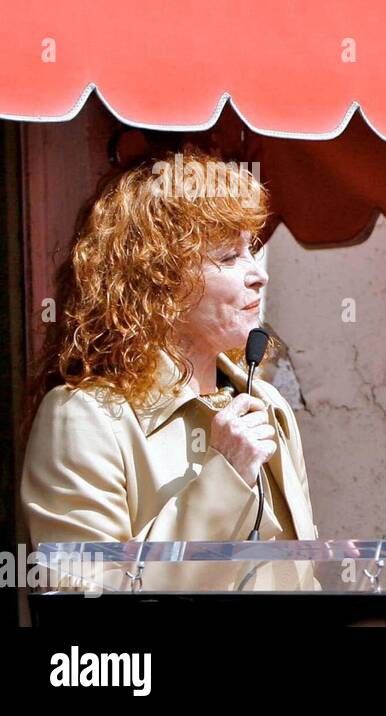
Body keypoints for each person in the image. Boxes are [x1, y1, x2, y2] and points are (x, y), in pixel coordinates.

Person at [22, 149, 317, 549]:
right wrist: (225, 476)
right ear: (157, 284)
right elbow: (88, 596)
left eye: (253, 250)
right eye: (230, 256)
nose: (259, 275)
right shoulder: (83, 418)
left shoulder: (267, 404)